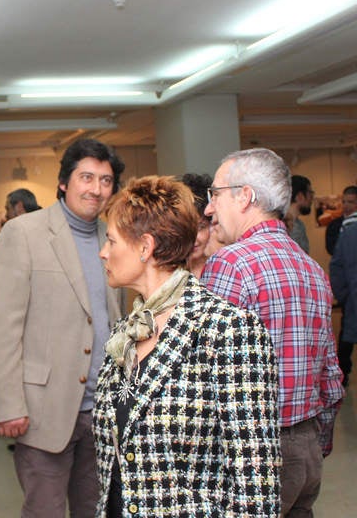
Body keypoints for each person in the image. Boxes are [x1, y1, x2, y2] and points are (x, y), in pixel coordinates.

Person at [93, 175, 280, 516]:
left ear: (145, 247)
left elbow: (256, 483)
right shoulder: (128, 330)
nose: (103, 252)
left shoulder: (228, 330)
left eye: (111, 241)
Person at [0, 138, 125, 517]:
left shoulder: (113, 237)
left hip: (102, 412)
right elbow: (0, 329)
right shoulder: (24, 233)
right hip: (44, 410)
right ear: (64, 182)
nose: (96, 189)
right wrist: (8, 405)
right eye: (87, 177)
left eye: (106, 181)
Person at [202, 148, 344, 516]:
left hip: (251, 456)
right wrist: (315, 442)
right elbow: (330, 376)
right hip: (306, 449)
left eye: (215, 194)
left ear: (244, 196)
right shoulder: (312, 269)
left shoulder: (230, 264)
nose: (208, 208)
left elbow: (205, 374)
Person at [330, 206, 357, 387]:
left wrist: (345, 297)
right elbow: (336, 267)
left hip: (351, 301)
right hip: (352, 301)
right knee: (346, 341)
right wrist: (345, 297)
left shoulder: (349, 232)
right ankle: (343, 375)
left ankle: (343, 376)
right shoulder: (349, 232)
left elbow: (336, 267)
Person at [180, 173, 213, 278]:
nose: (193, 238)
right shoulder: (169, 275)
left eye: (200, 227)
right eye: (185, 228)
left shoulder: (224, 269)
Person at [285, 174, 314, 253]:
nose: (312, 199)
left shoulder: (300, 225)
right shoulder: (282, 225)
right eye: (310, 194)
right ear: (300, 196)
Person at [325, 185, 357, 255]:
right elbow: (331, 249)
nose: (346, 205)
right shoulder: (333, 225)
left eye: (350, 202)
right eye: (344, 202)